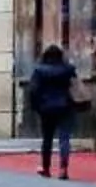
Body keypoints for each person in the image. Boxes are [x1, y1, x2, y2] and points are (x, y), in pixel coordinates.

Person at [26, 43, 80, 180]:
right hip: (65, 106)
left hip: (46, 108)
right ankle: (63, 169)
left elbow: (33, 90)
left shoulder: (39, 70)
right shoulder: (68, 69)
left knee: (47, 138)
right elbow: (75, 86)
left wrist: (36, 107)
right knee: (64, 138)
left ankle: (46, 168)